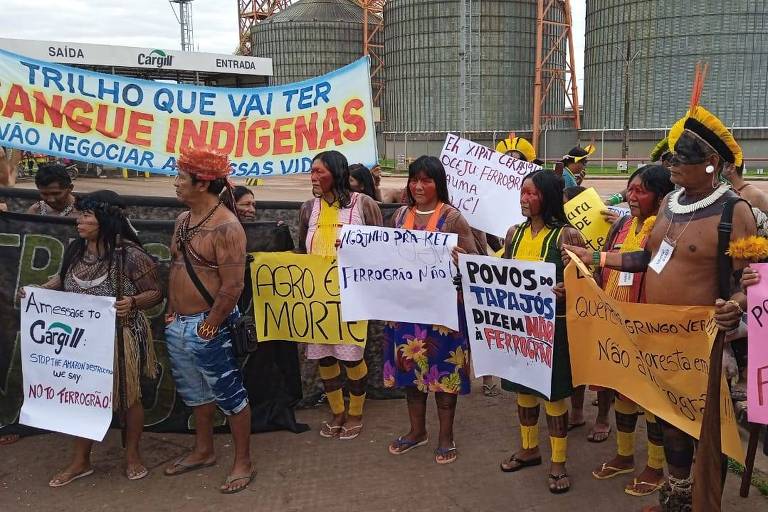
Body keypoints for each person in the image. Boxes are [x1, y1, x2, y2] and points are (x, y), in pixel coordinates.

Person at [564, 103, 755, 511]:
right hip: (661, 339)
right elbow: (646, 259)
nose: (672, 167)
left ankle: (705, 502)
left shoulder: (734, 212)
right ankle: (678, 495)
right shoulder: (669, 205)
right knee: (670, 422)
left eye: (682, 161)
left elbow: (750, 283)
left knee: (708, 431)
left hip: (705, 346)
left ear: (712, 163)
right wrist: (597, 259)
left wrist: (735, 306)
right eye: (671, 160)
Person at [18, 190, 161, 486]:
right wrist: (38, 292)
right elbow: (62, 278)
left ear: (105, 220)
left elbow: (156, 293)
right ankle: (81, 461)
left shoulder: (130, 255)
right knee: (83, 399)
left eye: (85, 216)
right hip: (81, 342)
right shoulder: (76, 249)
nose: (78, 220)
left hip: (119, 337)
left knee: (129, 397)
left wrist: (133, 303)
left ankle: (132, 455)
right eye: (79, 214)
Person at [163, 146, 255, 494]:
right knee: (195, 394)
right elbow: (175, 267)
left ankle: (243, 461)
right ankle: (203, 450)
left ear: (201, 184)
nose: (175, 184)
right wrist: (173, 312)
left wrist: (211, 323)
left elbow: (233, 286)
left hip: (208, 326)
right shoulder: (183, 221)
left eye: (181, 178)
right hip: (181, 325)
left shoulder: (227, 227)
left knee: (230, 395)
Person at [493, 169, 585, 494]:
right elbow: (500, 272)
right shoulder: (513, 234)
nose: (524, 198)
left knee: (554, 397)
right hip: (521, 327)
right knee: (524, 392)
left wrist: (568, 288)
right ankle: (529, 449)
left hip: (555, 328)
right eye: (522, 192)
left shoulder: (567, 236)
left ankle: (558, 462)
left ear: (546, 197)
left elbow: (588, 279)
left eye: (531, 193)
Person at [586, 165, 674, 497]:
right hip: (615, 321)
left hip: (648, 324)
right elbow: (602, 268)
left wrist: (597, 257)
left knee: (649, 398)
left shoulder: (666, 229)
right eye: (630, 189)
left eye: (641, 191)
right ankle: (624, 456)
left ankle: (654, 466)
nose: (632, 196)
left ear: (662, 197)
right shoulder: (622, 223)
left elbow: (645, 260)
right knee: (621, 390)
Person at [385, 155, 478, 464]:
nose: (419, 186)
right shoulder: (400, 216)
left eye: (426, 180)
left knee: (444, 375)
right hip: (408, 312)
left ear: (439, 184)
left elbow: (477, 260)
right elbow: (382, 256)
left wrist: (461, 259)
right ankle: (417, 431)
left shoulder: (452, 218)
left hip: (444, 315)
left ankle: (445, 435)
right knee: (411, 376)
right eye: (414, 179)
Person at [297, 150, 382, 440]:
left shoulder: (364, 204)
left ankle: (356, 412)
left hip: (352, 297)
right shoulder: (309, 208)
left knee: (351, 358)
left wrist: (353, 247)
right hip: (318, 299)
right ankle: (336, 411)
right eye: (312, 171)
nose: (313, 177)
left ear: (336, 173)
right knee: (324, 359)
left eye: (320, 171)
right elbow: (301, 253)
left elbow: (381, 247)